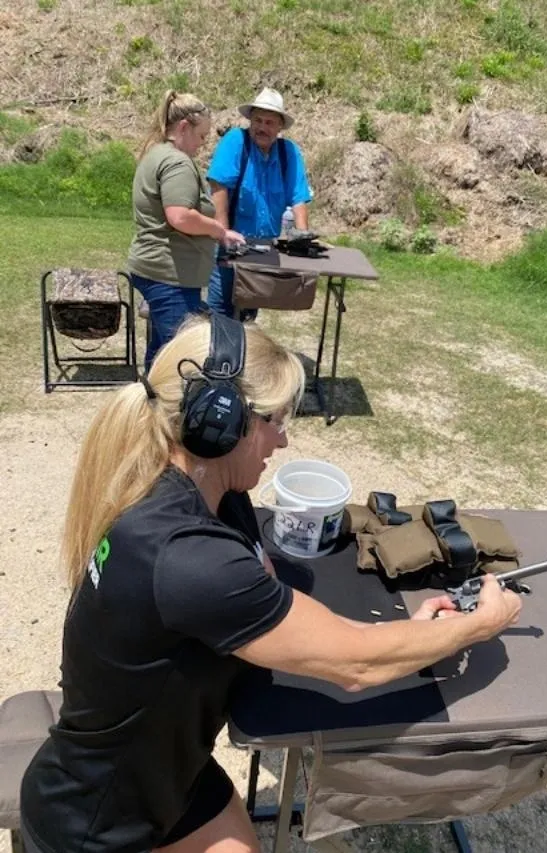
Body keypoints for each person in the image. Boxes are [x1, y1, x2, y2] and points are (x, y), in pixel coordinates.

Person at [20, 313, 521, 853]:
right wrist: (478, 625)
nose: (282, 439)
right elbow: (356, 664)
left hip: (167, 773)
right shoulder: (190, 558)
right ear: (221, 422)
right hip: (99, 822)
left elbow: (268, 593)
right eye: (276, 419)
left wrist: (407, 637)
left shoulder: (199, 495)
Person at [128, 89, 245, 370]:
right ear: (183, 127)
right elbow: (179, 216)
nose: (202, 145)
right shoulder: (177, 163)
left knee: (161, 352)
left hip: (163, 272)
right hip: (170, 276)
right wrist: (218, 230)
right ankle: (164, 409)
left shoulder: (157, 154)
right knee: (178, 359)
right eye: (202, 136)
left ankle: (150, 403)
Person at [205, 87, 313, 317]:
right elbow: (218, 187)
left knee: (247, 319)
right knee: (220, 318)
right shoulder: (235, 141)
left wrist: (302, 238)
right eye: (258, 120)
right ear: (250, 120)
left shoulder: (289, 153)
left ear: (280, 127)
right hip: (231, 249)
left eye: (269, 122)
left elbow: (299, 197)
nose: (262, 127)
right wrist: (223, 236)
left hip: (263, 252)